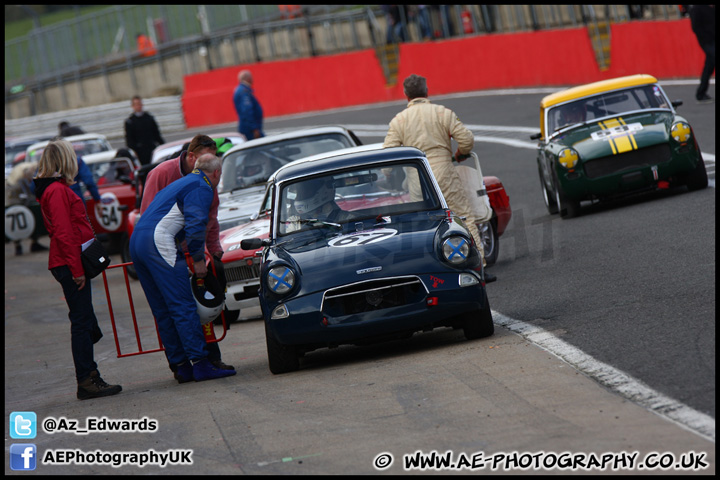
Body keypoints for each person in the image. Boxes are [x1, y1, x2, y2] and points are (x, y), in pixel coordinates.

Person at [130, 153, 236, 383]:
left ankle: (181, 366)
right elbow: (197, 224)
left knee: (162, 308)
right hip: (158, 241)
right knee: (182, 305)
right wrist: (198, 259)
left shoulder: (182, 182)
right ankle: (201, 364)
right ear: (217, 173)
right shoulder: (202, 186)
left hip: (137, 241)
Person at [383, 74, 496, 283]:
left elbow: (387, 155)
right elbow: (466, 139)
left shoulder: (399, 121)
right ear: (426, 92)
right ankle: (479, 267)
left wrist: (388, 176)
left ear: (406, 95)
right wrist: (461, 153)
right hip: (444, 170)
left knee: (424, 226)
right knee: (463, 217)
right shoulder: (442, 113)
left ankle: (433, 273)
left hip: (418, 177)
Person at [32, 139, 122, 400]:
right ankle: (87, 379)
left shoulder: (51, 188)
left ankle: (89, 375)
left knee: (84, 320)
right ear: (64, 160)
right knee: (82, 323)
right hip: (69, 261)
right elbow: (63, 232)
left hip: (67, 260)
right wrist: (76, 269)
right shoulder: (57, 190)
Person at [5, 161, 49, 255]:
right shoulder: (19, 181)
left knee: (28, 220)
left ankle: (30, 243)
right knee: (18, 222)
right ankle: (20, 244)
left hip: (21, 203)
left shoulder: (24, 178)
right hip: (17, 203)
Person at [284, 177, 354, 233]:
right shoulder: (294, 223)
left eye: (306, 190)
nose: (299, 196)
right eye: (299, 192)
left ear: (324, 191)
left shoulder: (348, 219)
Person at [124, 95, 165, 166]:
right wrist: (133, 152)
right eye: (136, 104)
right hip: (140, 152)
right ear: (133, 106)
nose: (138, 106)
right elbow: (129, 140)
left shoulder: (149, 118)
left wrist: (163, 146)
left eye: (139, 104)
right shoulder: (130, 122)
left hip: (151, 149)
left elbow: (157, 134)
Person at [688, 5, 715, 103]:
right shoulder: (697, 8)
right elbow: (695, 27)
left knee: (709, 66)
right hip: (706, 41)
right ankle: (701, 93)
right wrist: (705, 38)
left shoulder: (712, 8)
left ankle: (701, 93)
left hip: (713, 40)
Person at [233, 70, 264, 140]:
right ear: (248, 78)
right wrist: (254, 128)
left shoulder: (241, 90)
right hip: (249, 130)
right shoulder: (244, 91)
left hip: (249, 127)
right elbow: (247, 111)